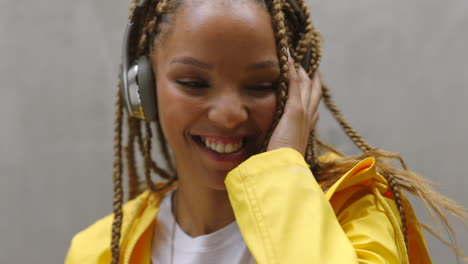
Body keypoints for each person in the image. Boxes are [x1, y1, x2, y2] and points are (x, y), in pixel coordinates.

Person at [66, 0, 467, 263]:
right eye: (193, 82)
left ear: (299, 90)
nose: (227, 115)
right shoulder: (100, 251)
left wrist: (280, 170)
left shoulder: (357, 213)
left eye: (261, 86)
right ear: (142, 89)